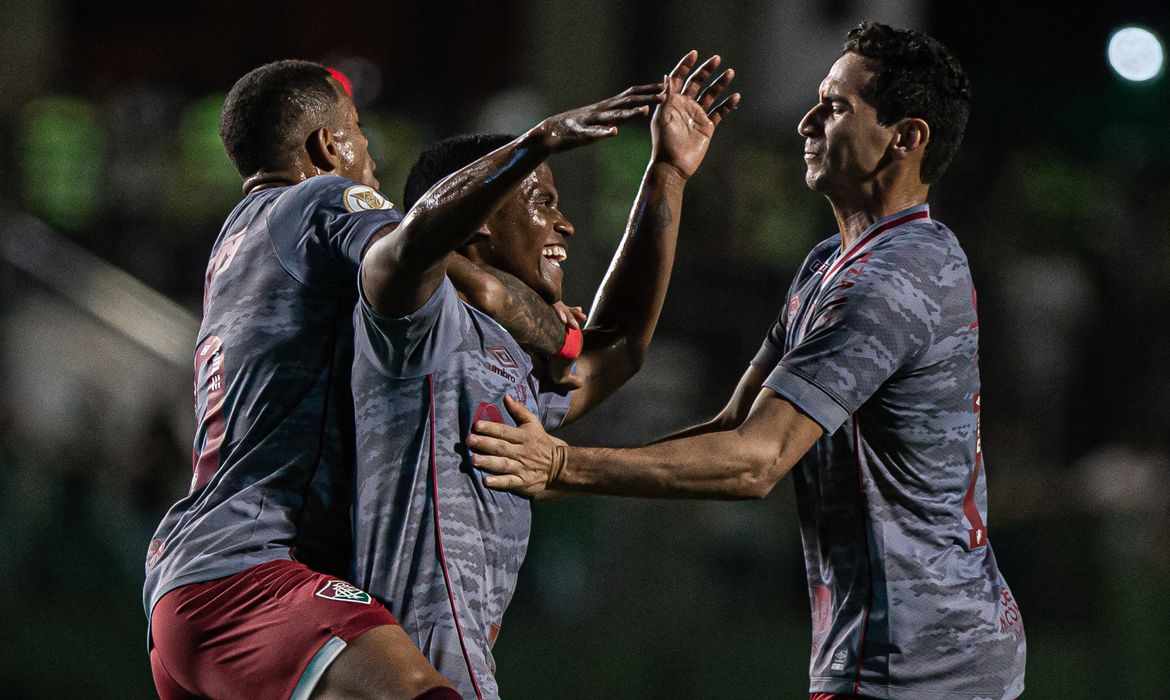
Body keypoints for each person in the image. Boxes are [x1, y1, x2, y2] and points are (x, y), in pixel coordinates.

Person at [469, 22, 1026, 700]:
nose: (805, 122)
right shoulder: (833, 263)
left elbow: (757, 460)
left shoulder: (893, 280)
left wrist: (563, 465)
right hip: (898, 654)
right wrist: (570, 476)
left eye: (836, 106)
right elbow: (733, 424)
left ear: (907, 138)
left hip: (923, 667)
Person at [143, 59, 585, 700]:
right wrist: (559, 335)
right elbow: (427, 259)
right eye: (361, 133)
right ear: (328, 146)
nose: (371, 157)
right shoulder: (320, 198)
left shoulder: (234, 241)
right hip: (251, 572)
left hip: (187, 582)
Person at [350, 52, 739, 699]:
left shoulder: (512, 368)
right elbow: (417, 240)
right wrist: (538, 142)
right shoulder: (420, 325)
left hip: (452, 665)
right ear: (477, 219)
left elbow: (619, 348)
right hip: (406, 668)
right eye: (542, 202)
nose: (565, 223)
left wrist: (668, 171)